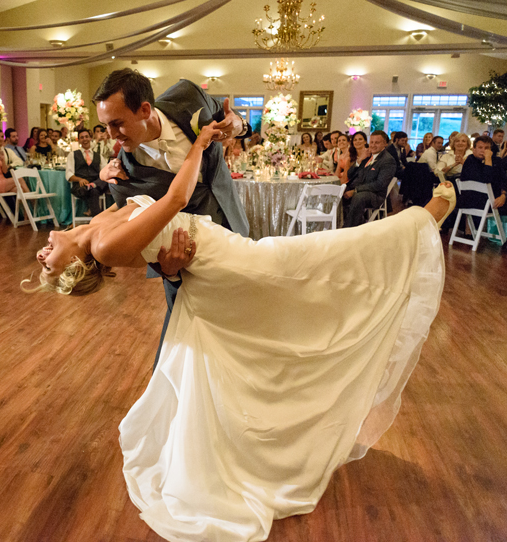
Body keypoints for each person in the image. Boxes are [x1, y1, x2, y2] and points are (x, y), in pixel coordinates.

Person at [27, 117, 452, 542]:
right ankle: (416, 228)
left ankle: (407, 239)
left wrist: (112, 173)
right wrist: (201, 142)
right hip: (219, 262)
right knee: (308, 262)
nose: (43, 253)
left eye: (43, 259)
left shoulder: (92, 228)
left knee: (304, 268)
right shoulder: (102, 246)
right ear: (76, 265)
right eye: (49, 263)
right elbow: (174, 199)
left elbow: (138, 205)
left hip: (215, 246)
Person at [94, 68, 250, 371]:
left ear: (145, 110)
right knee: (186, 345)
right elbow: (137, 233)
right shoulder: (126, 170)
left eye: (117, 123)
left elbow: (239, 122)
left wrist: (238, 124)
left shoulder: (188, 97)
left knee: (239, 323)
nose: (111, 136)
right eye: (105, 126)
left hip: (233, 227)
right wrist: (166, 269)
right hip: (184, 259)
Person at [461, 136, 507, 253]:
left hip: (493, 200)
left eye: (487, 148)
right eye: (480, 148)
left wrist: (503, 195)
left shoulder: (497, 161)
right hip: (476, 201)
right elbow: (486, 178)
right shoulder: (470, 161)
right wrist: (488, 160)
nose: (483, 151)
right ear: (474, 149)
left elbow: (504, 180)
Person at [343, 131, 397, 228]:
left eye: (377, 142)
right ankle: (337, 224)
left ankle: (348, 230)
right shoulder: (368, 156)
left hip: (375, 195)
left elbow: (380, 184)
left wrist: (355, 191)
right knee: (336, 193)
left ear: (385, 143)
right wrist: (359, 161)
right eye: (371, 142)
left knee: (359, 197)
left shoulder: (388, 160)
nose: (373, 145)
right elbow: (350, 174)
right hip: (359, 189)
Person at [66, 129, 111, 217]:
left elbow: (105, 171)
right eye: (82, 137)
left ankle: (92, 186)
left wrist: (96, 183)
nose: (85, 139)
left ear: (91, 138)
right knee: (93, 191)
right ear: (79, 140)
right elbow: (68, 173)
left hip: (97, 184)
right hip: (81, 185)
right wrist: (80, 179)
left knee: (100, 182)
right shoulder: (72, 155)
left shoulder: (98, 156)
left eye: (86, 137)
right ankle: (98, 220)